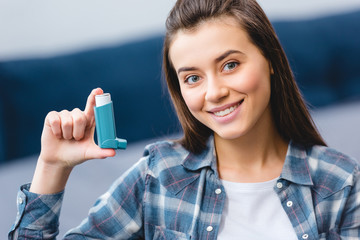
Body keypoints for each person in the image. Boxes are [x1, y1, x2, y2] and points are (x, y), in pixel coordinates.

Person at [9, 0, 360, 239]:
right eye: (193, 77)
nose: (214, 92)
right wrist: (52, 166)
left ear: (269, 59)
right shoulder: (158, 176)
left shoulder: (340, 184)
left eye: (230, 65)